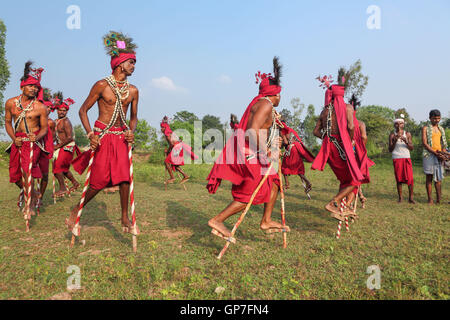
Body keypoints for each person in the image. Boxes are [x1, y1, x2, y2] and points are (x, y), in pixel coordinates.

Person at [207, 57, 289, 239]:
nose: (281, 98)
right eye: (280, 94)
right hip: (251, 154)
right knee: (251, 194)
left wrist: (275, 143)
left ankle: (266, 220)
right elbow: (251, 131)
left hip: (254, 151)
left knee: (274, 182)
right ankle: (218, 220)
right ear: (275, 93)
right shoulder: (266, 104)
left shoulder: (262, 104)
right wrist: (266, 151)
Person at [68, 31, 139, 234]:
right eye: (131, 62)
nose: (134, 66)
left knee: (124, 177)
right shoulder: (102, 85)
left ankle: (124, 216)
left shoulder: (133, 90)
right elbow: (82, 111)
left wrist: (131, 132)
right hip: (102, 136)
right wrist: (91, 134)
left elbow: (133, 117)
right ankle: (76, 210)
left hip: (121, 137)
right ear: (120, 64)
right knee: (99, 181)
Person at [312, 74, 368, 221]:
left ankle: (346, 207)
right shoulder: (347, 108)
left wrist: (328, 139)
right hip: (342, 149)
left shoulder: (324, 112)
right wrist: (348, 143)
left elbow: (315, 132)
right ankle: (334, 203)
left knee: (346, 181)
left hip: (329, 150)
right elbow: (350, 126)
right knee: (356, 179)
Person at [4, 62, 48, 218]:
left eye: (36, 87)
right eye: (31, 86)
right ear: (22, 87)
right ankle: (33, 192)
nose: (34, 89)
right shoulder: (10, 103)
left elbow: (44, 128)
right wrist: (13, 138)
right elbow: (8, 122)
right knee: (15, 175)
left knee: (27, 171)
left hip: (32, 143)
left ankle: (28, 206)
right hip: (18, 141)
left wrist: (36, 137)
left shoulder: (40, 107)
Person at [53, 98, 80, 197]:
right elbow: (54, 135)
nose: (62, 112)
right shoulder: (56, 121)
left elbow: (69, 138)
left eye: (64, 110)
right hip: (61, 147)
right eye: (60, 110)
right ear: (57, 110)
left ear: (67, 111)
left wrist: (57, 146)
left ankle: (63, 188)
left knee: (58, 169)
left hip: (67, 147)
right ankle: (75, 183)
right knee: (61, 169)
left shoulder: (66, 122)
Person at [160, 116, 198, 184]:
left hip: (177, 148)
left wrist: (168, 151)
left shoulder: (167, 134)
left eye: (162, 128)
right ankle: (185, 175)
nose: (161, 129)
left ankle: (172, 178)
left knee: (166, 162)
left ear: (164, 128)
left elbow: (171, 144)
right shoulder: (170, 133)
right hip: (179, 147)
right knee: (174, 164)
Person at [280, 121, 314, 194]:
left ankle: (287, 184)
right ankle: (308, 182)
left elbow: (286, 142)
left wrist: (280, 143)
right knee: (298, 169)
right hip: (297, 147)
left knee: (285, 167)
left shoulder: (282, 131)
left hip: (291, 149)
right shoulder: (290, 129)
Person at [422, 109, 448, 204]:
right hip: (429, 155)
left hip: (439, 155)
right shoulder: (425, 128)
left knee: (439, 178)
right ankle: (430, 199)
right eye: (434, 118)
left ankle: (438, 199)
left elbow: (444, 144)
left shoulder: (441, 129)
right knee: (429, 177)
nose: (436, 120)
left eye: (438, 118)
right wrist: (435, 153)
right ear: (430, 118)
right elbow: (425, 143)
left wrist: (443, 154)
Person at [389, 116, 415, 203]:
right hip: (397, 157)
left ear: (403, 124)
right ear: (394, 125)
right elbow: (390, 149)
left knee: (410, 178)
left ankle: (411, 198)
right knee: (399, 178)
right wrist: (395, 140)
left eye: (401, 123)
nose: (399, 125)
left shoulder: (407, 134)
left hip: (406, 157)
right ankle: (400, 198)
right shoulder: (392, 135)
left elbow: (411, 148)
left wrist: (406, 141)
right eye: (396, 123)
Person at [37, 88, 56, 203]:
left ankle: (40, 197)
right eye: (46, 107)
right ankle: (29, 195)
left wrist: (48, 148)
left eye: (50, 107)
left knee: (44, 175)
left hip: (44, 150)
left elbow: (52, 137)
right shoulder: (35, 119)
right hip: (33, 148)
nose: (48, 109)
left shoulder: (51, 123)